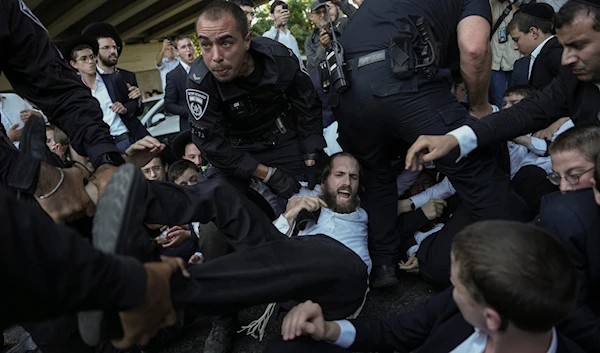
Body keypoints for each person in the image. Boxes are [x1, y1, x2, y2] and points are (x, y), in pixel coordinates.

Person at [331, 0, 529, 288]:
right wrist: (479, 107)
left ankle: (384, 264)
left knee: (377, 176)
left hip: (345, 89)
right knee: (478, 165)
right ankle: (512, 269)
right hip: (401, 80)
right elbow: (474, 48)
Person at [266, 220, 583, 353]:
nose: (451, 291)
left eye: (456, 285)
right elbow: (395, 332)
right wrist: (329, 331)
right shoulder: (467, 306)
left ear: (491, 320)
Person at [406, 0, 600, 174]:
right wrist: (455, 139)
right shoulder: (571, 78)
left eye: (579, 46)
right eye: (564, 47)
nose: (566, 59)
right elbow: (524, 113)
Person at [187, 0, 325, 202]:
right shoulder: (200, 83)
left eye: (226, 43)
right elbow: (213, 146)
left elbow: (307, 105)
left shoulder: (279, 59)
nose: (216, 57)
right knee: (218, 213)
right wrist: (267, 174)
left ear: (247, 40)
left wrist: (311, 153)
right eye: (206, 45)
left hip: (281, 140)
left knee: (318, 195)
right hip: (232, 152)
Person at [533, 134, 600, 353]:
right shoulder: (563, 220)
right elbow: (570, 308)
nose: (563, 187)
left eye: (573, 175)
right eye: (557, 176)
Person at [62, 34, 150, 152]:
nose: (90, 62)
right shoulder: (76, 91)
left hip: (126, 136)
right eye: (84, 59)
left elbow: (133, 103)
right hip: (103, 144)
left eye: (92, 57)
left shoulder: (114, 79)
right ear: (74, 64)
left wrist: (124, 108)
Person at [508, 3, 562, 89]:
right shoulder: (524, 63)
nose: (515, 47)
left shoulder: (556, 56)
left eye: (516, 39)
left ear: (533, 32)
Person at [165, 35, 197, 132]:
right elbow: (169, 105)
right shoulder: (173, 76)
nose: (188, 50)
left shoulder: (206, 67)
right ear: (177, 52)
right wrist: (191, 112)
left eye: (190, 45)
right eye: (183, 47)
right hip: (189, 126)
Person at [263, 1, 304, 69]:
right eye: (278, 11)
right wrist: (277, 26)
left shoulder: (292, 38)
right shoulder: (268, 36)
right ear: (272, 16)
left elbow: (299, 62)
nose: (282, 14)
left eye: (284, 11)